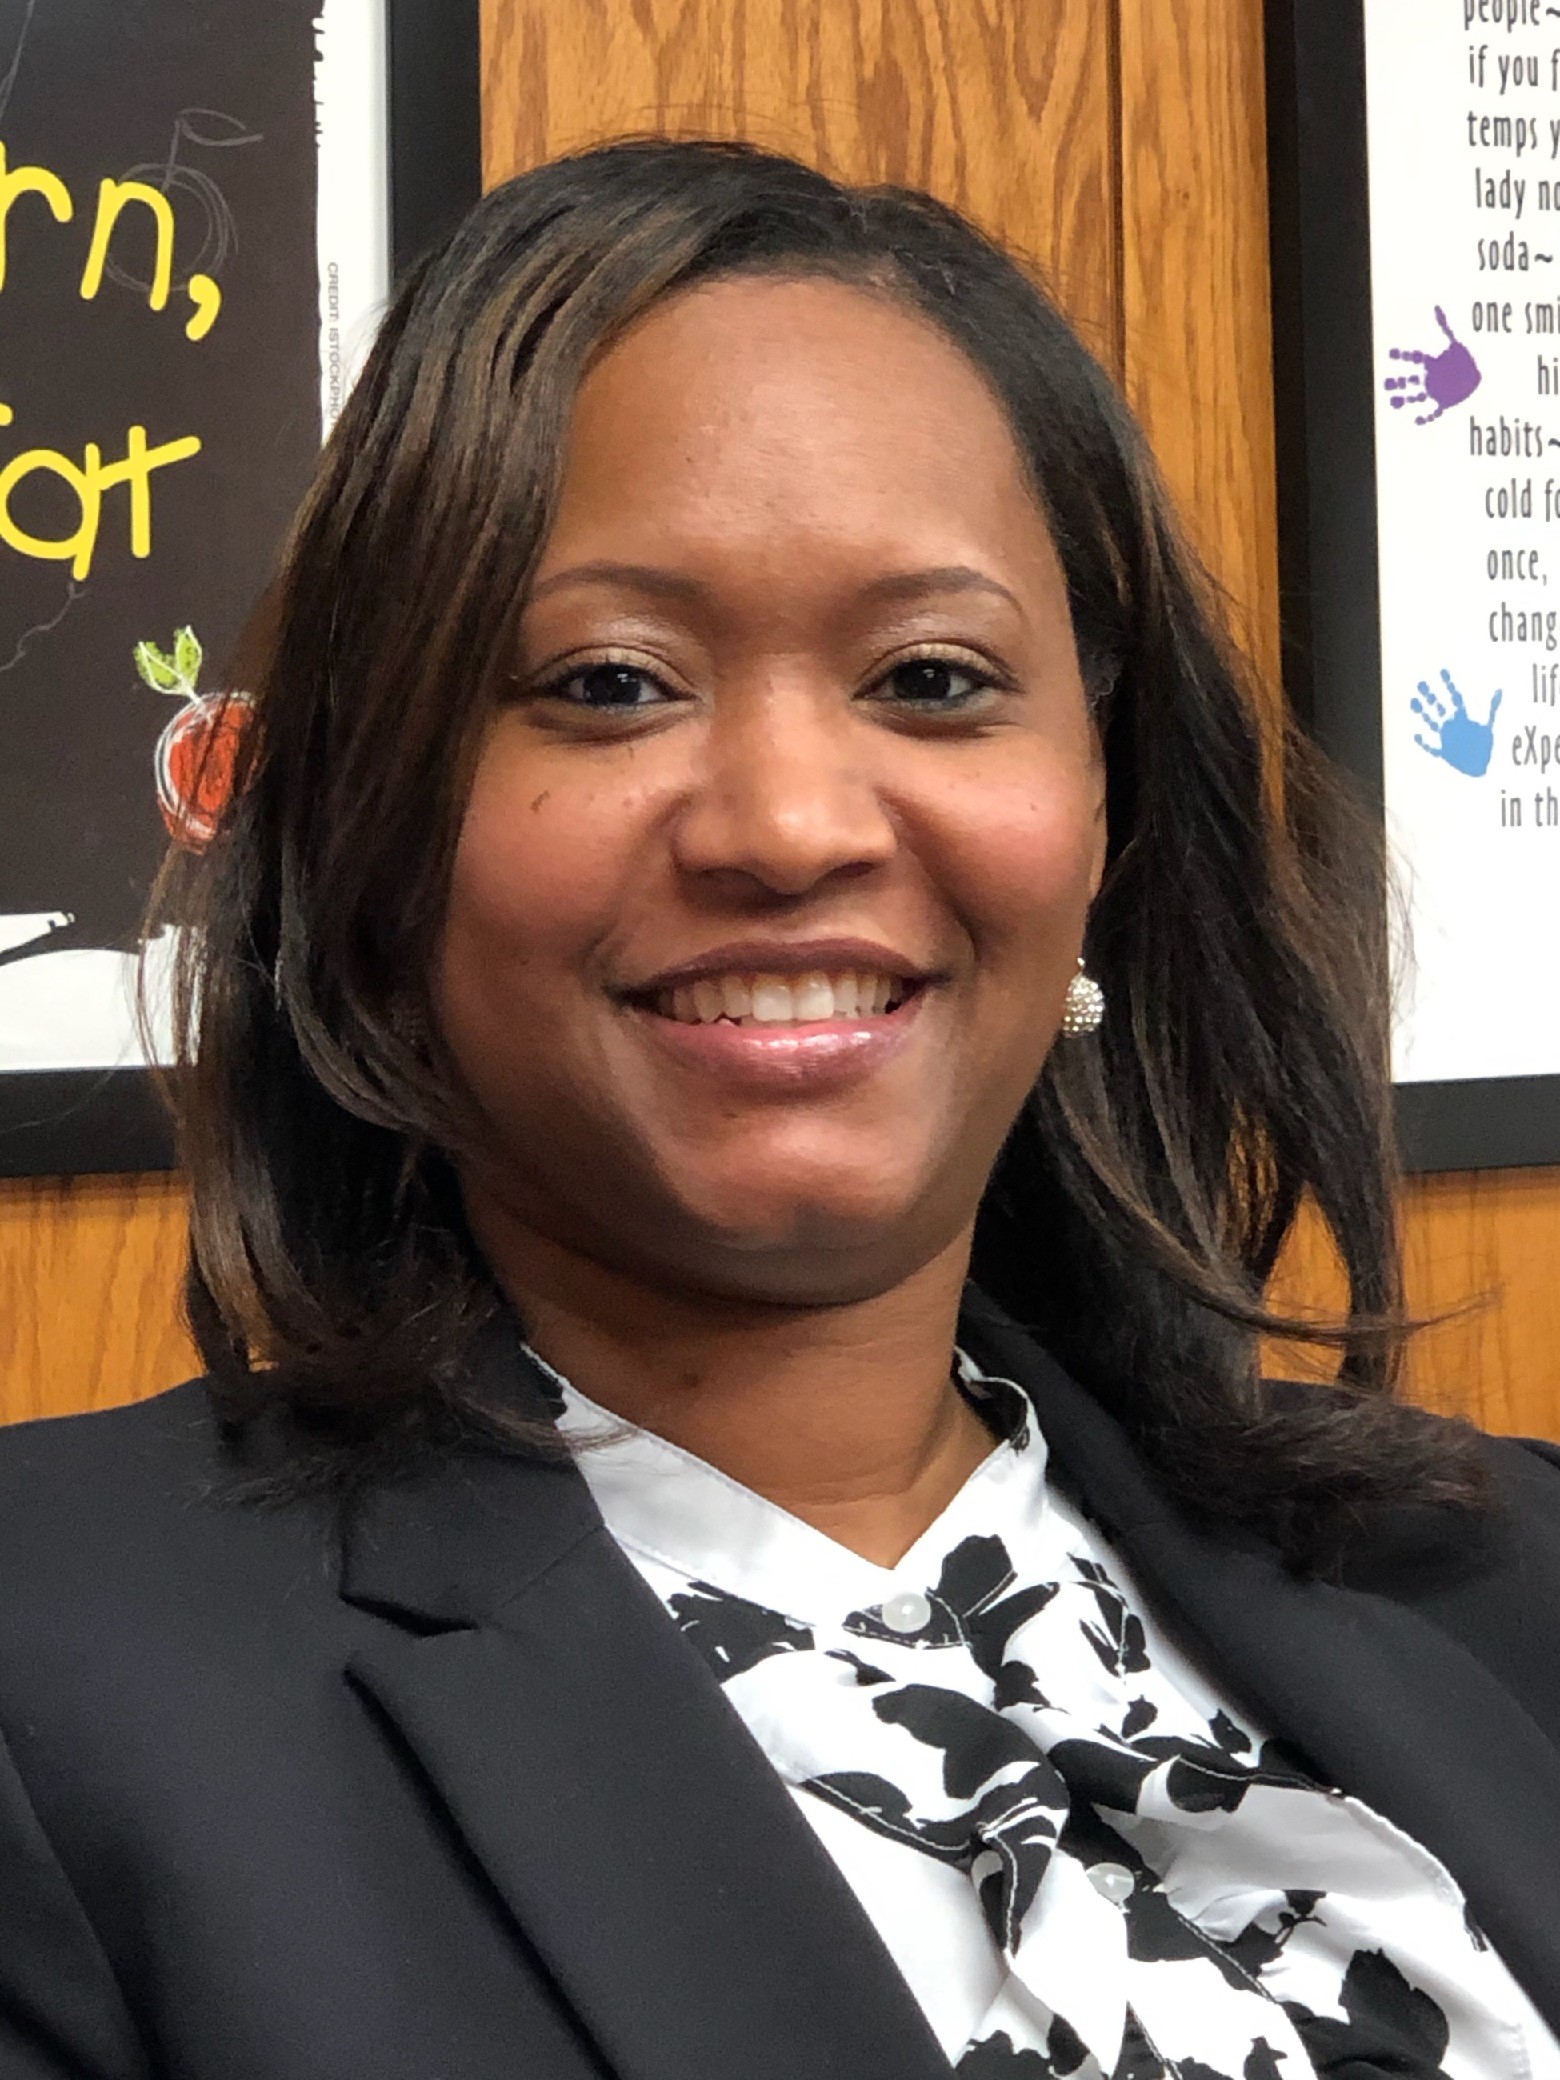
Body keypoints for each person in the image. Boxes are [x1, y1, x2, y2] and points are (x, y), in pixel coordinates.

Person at [1, 138, 1557, 2080]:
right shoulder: (54, 1686)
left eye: (933, 676)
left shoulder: (1505, 1570)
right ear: (374, 834)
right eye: (610, 682)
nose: (793, 824)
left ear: (1107, 813)